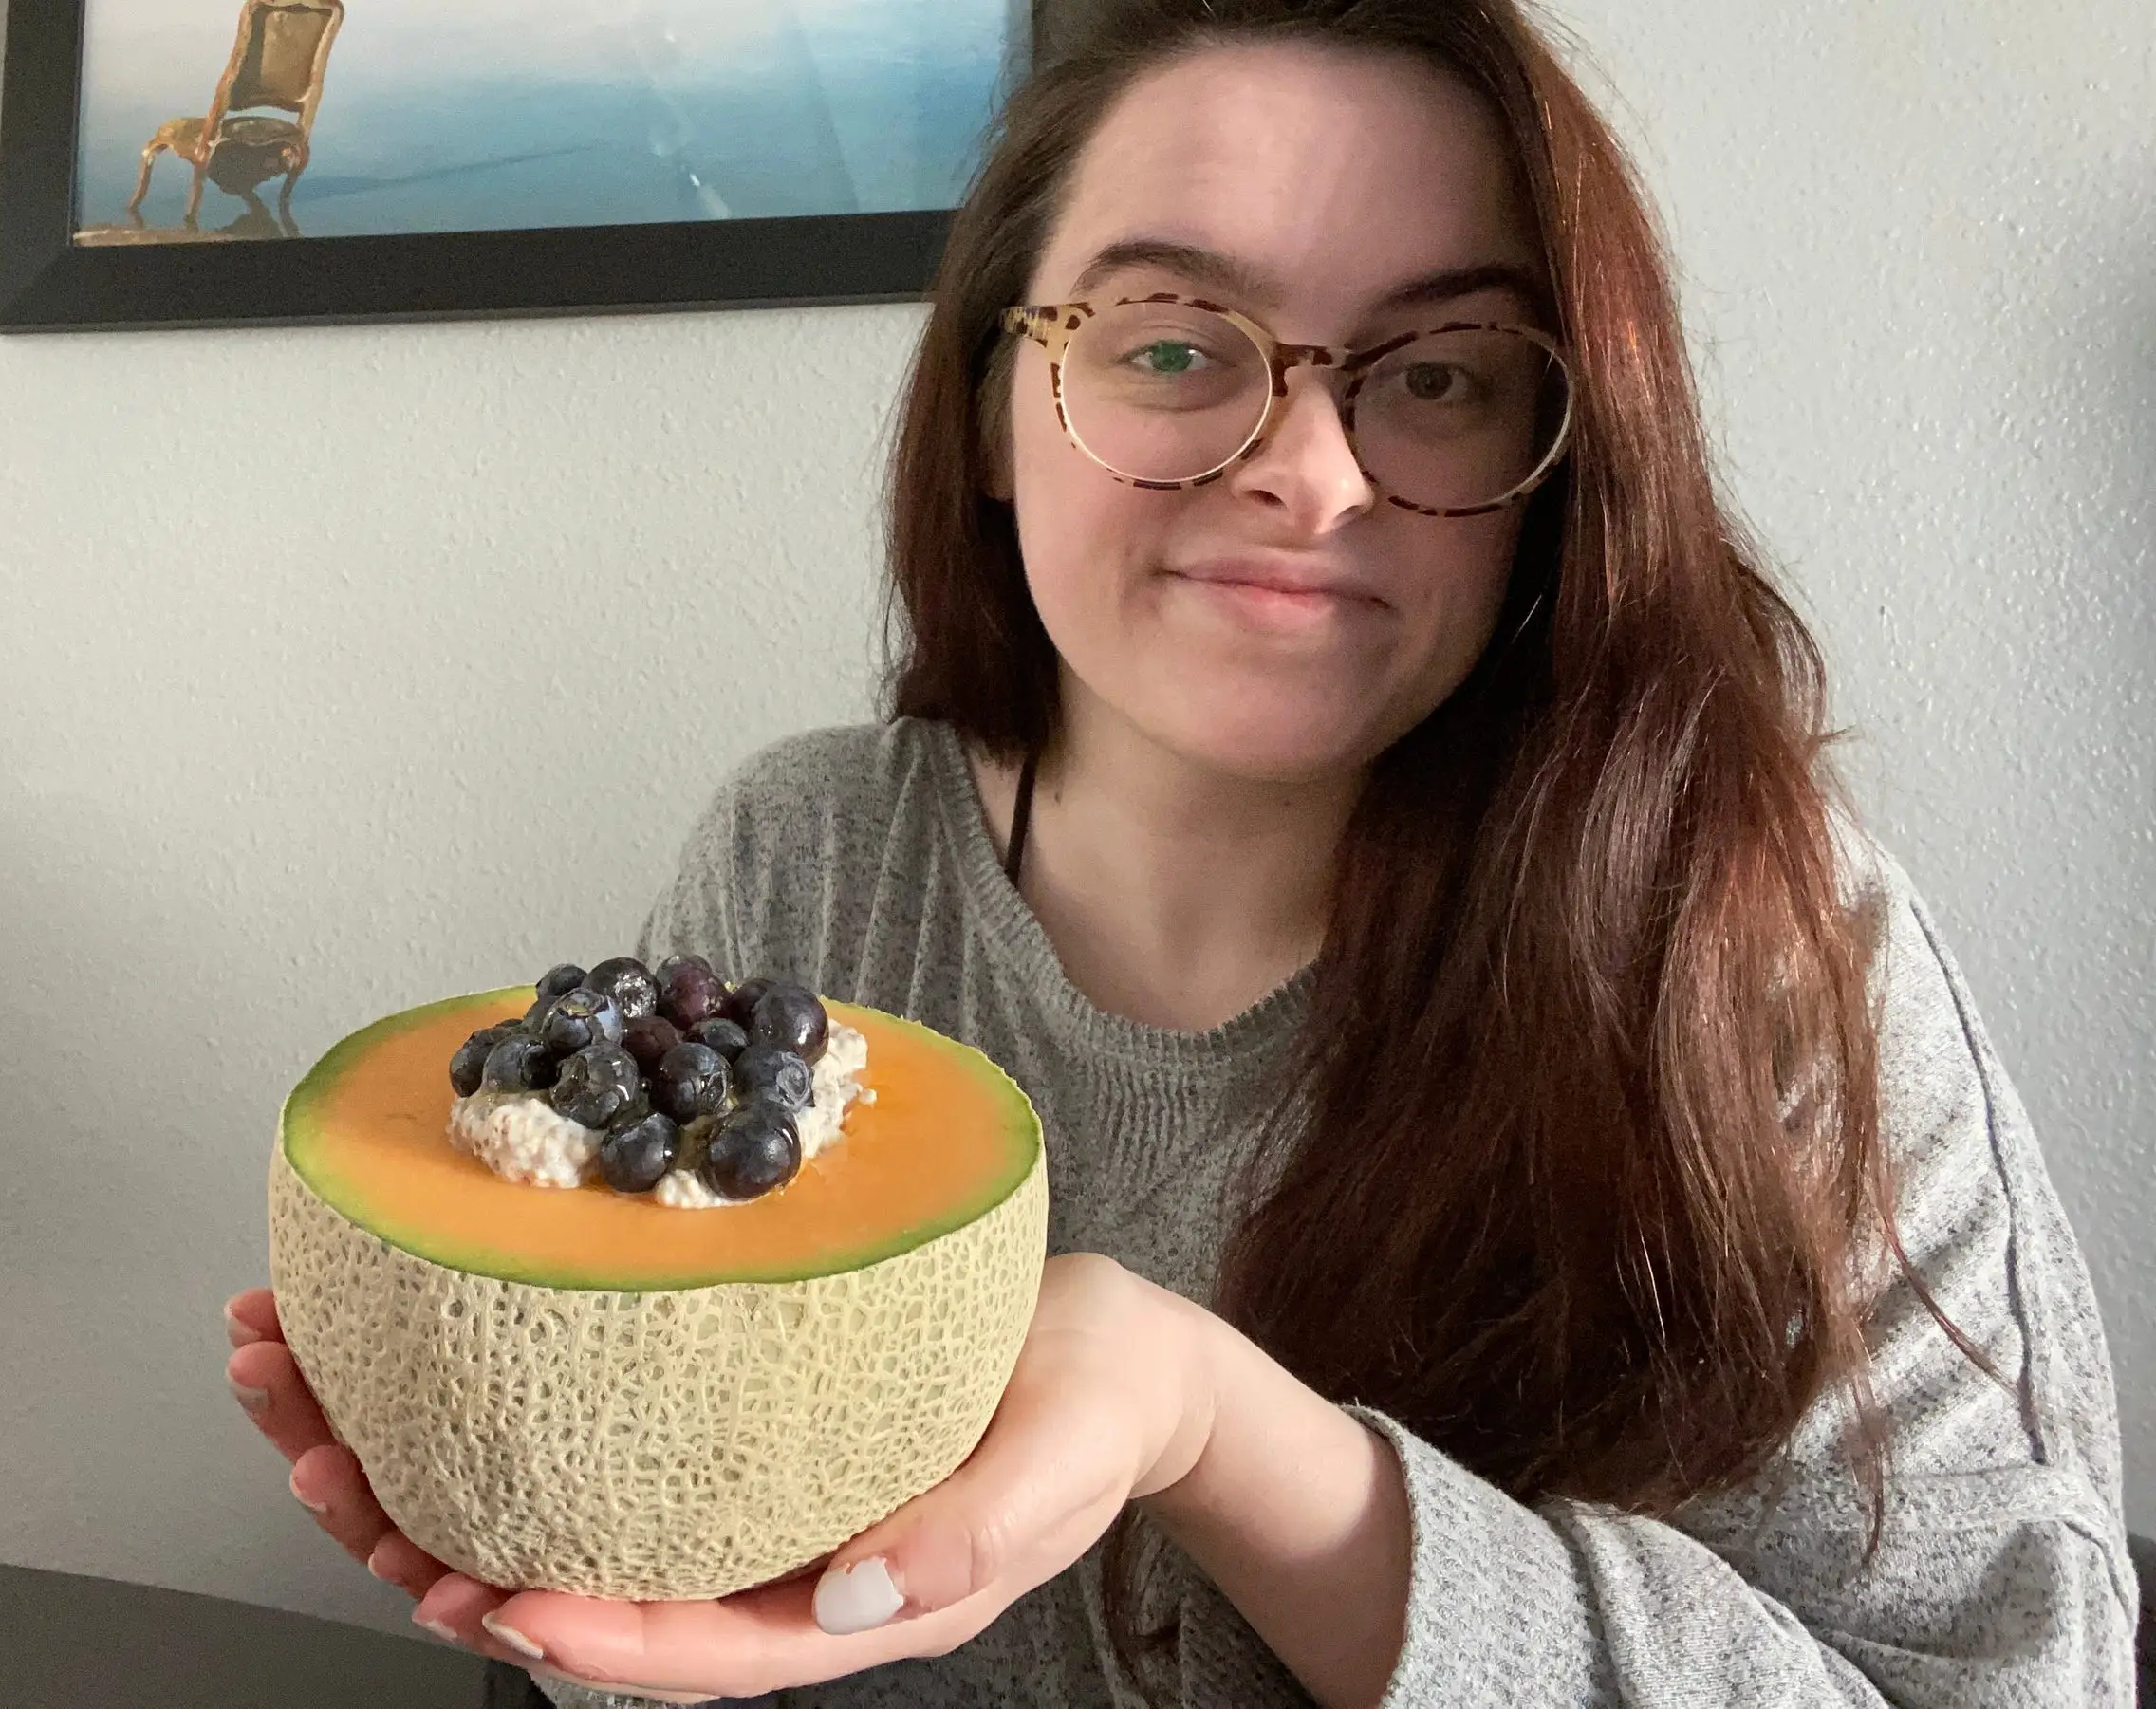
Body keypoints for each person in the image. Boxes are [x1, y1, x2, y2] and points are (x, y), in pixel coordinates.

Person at [223, 1, 2139, 1702]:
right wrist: (591, 1605)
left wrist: (1226, 1440)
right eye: (1169, 347)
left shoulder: (1757, 945)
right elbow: (691, 1572)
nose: (1309, 471)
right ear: (993, 405)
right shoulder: (811, 863)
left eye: (1441, 374)